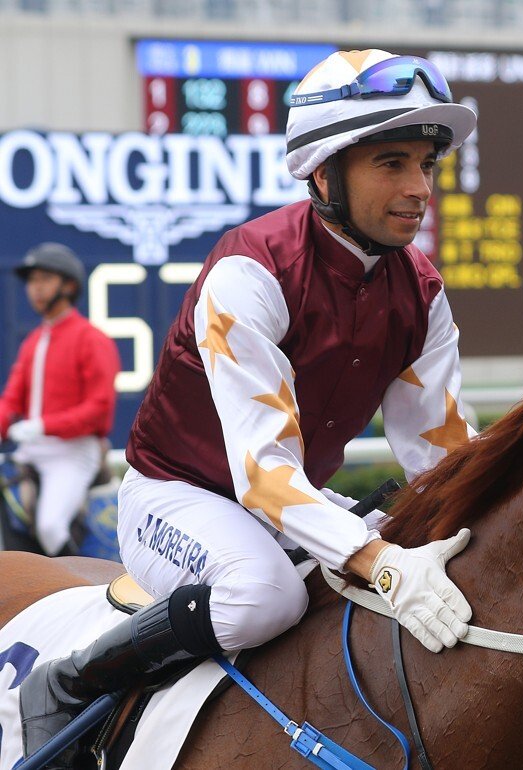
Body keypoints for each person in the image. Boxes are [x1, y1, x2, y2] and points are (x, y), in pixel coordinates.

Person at [20, 49, 480, 764]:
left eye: (428, 165)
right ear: (324, 172)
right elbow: (263, 473)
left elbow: (444, 455)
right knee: (267, 597)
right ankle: (70, 681)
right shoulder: (250, 271)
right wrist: (383, 561)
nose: (420, 188)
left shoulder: (420, 292)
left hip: (279, 496)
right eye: (393, 164)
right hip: (176, 495)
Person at [0, 243, 119, 556]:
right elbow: (10, 401)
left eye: (44, 279)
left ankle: (75, 590)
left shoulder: (92, 339)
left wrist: (44, 425)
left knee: (51, 526)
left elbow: (99, 409)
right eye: (32, 281)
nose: (35, 288)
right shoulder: (33, 341)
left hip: (74, 451)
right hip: (33, 449)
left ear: (68, 285)